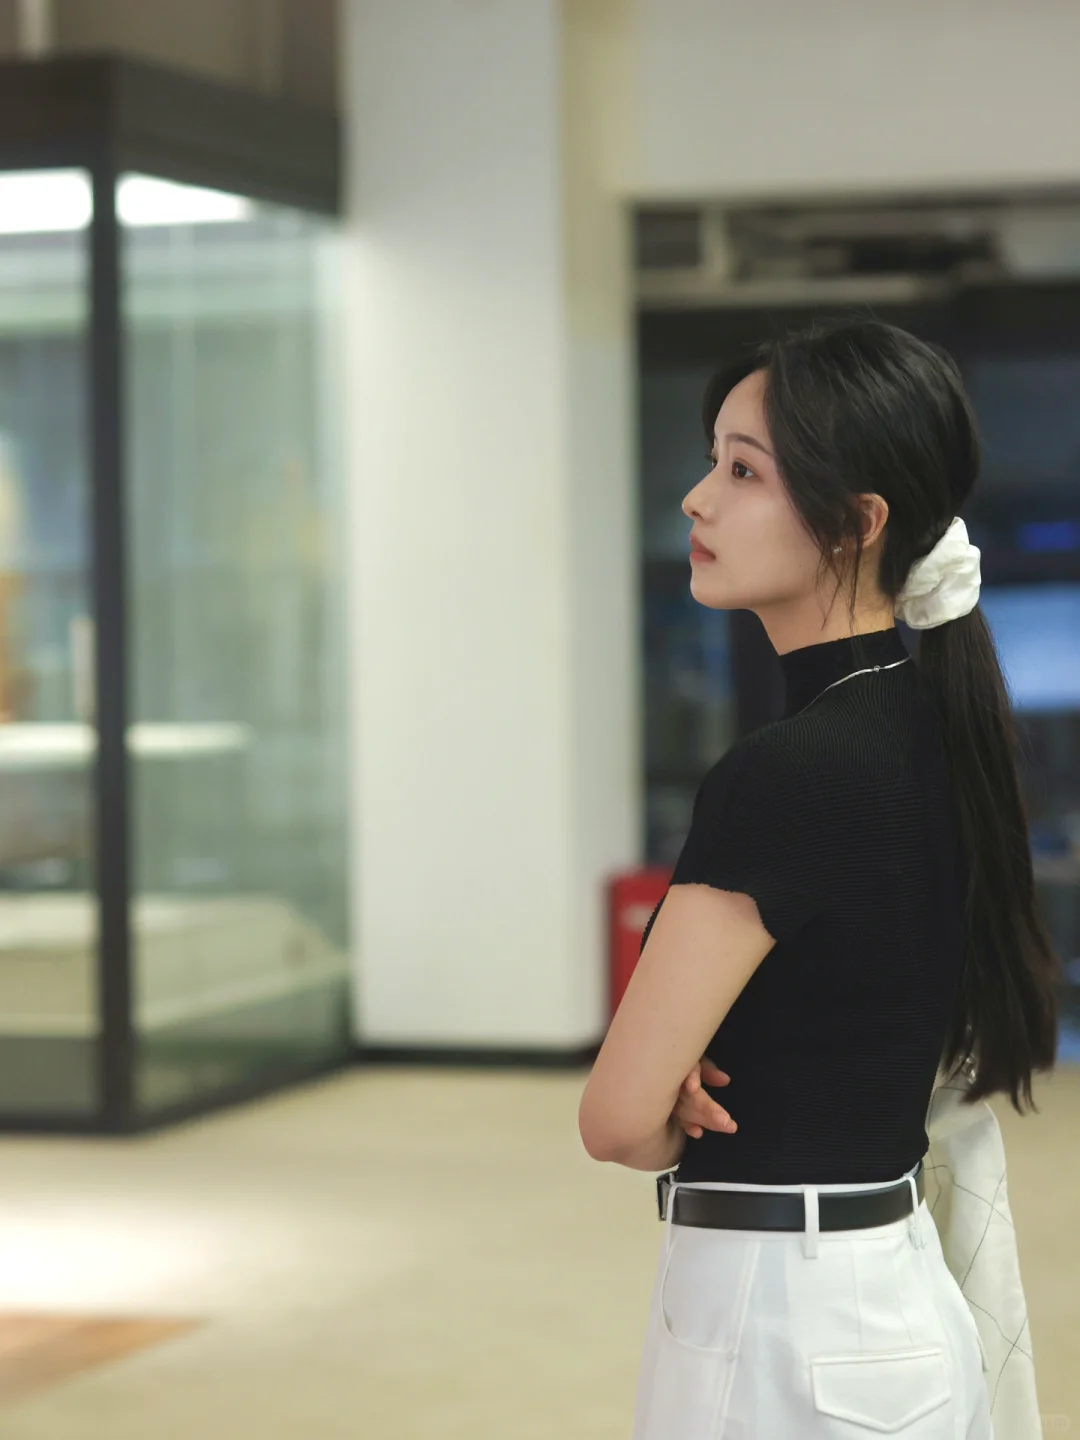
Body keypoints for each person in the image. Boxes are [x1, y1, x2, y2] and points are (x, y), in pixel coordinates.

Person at [577, 318, 1064, 1438]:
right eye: (713, 460)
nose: (698, 498)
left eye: (744, 471)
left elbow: (616, 1119)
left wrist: (672, 1098)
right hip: (892, 1290)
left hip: (780, 1320)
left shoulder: (790, 772)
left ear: (857, 521)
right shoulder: (936, 730)